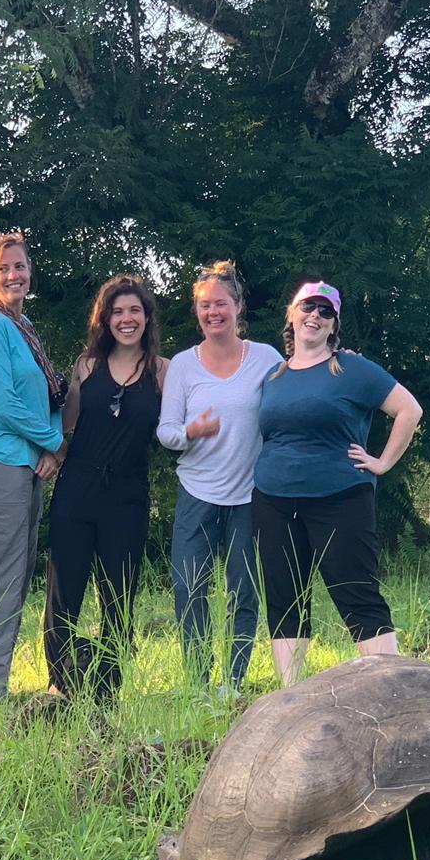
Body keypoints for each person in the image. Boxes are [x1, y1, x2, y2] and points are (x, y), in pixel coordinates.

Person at [252, 280, 423, 686]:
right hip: (273, 501)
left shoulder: (352, 368)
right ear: (291, 315)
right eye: (307, 307)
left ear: (333, 325)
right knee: (285, 599)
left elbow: (408, 409)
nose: (314, 316)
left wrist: (382, 463)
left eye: (325, 311)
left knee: (356, 592)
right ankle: (290, 696)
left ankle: (391, 689)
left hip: (340, 499)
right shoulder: (273, 376)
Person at [157, 261, 281, 692]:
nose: (213, 312)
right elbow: (166, 431)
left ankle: (233, 680)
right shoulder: (183, 366)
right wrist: (192, 431)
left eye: (221, 304)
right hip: (197, 492)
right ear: (197, 311)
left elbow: (299, 389)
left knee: (243, 591)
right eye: (205, 305)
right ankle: (199, 683)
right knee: (189, 589)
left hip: (250, 495)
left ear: (238, 307)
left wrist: (340, 360)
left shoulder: (265, 358)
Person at [43, 275, 167, 702]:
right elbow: (66, 424)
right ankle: (60, 683)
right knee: (65, 590)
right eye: (117, 311)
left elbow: (180, 424)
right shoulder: (87, 365)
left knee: (119, 594)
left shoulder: (163, 371)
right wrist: (50, 454)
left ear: (146, 317)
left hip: (128, 494)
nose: (126, 319)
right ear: (105, 318)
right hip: (78, 486)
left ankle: (107, 688)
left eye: (134, 310)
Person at [0, 231, 66, 701]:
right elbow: (3, 403)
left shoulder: (24, 327)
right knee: (1, 573)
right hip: (0, 460)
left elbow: (48, 393)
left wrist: (48, 450)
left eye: (20, 266)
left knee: (18, 574)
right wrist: (56, 442)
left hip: (28, 463)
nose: (13, 275)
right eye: (3, 268)